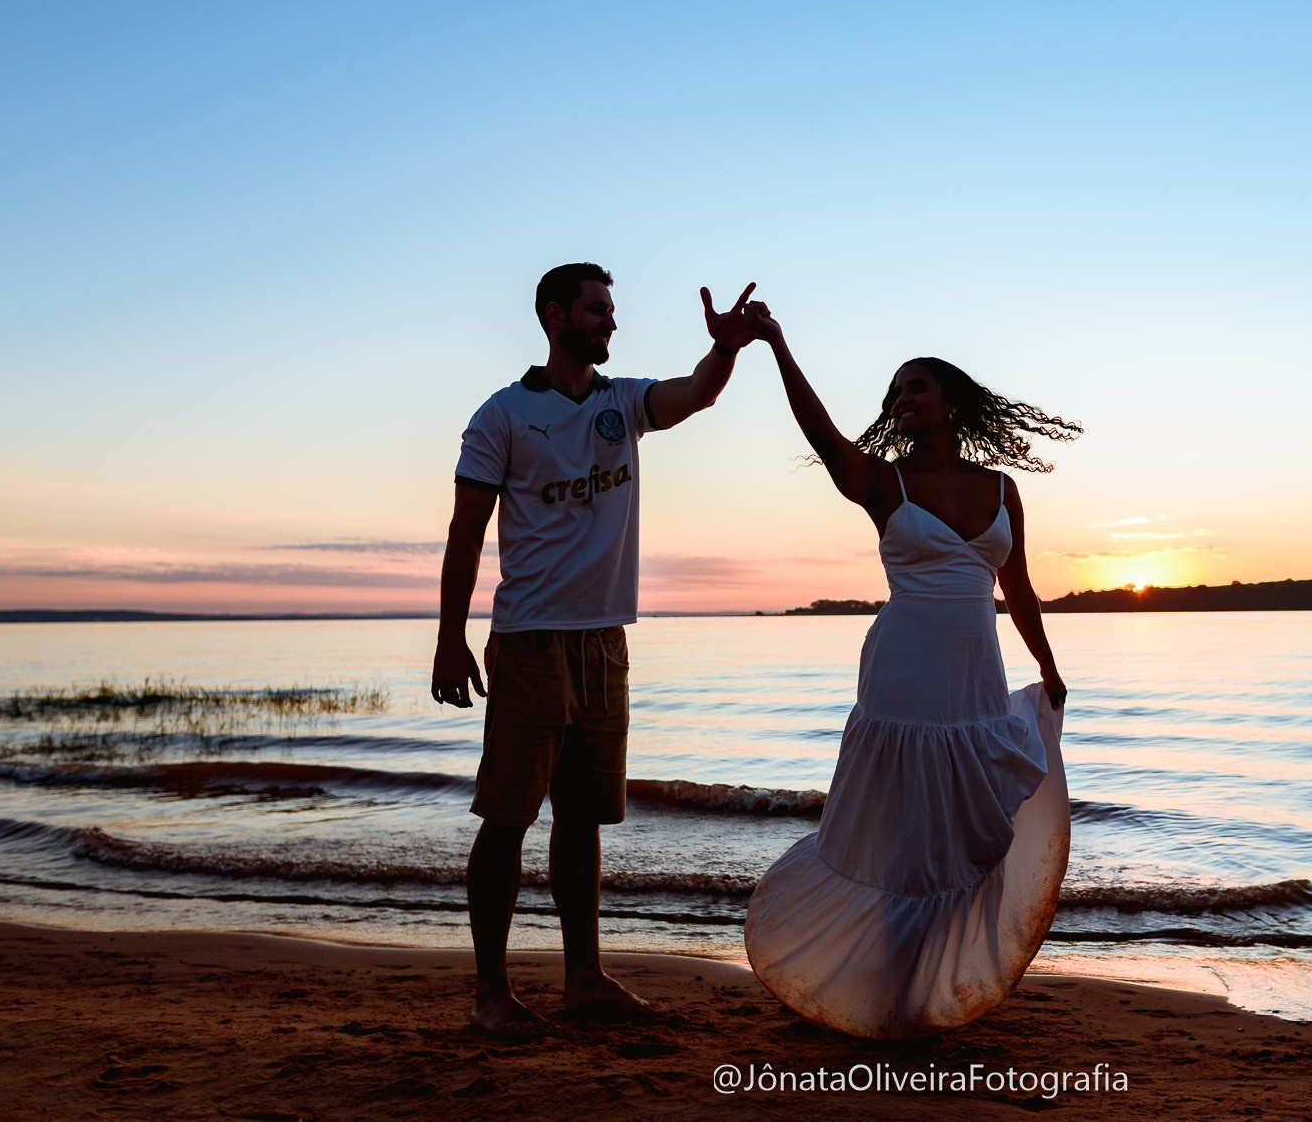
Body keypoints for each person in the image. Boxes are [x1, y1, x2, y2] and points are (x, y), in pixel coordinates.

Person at [431, 261, 758, 1033]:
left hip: (605, 644)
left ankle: (585, 980)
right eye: (595, 310)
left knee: (582, 819)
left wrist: (726, 353)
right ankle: (490, 993)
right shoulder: (502, 414)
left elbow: (694, 393)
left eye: (612, 310)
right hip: (531, 641)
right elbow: (465, 533)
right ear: (554, 315)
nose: (609, 322)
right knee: (507, 815)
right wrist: (450, 638)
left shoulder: (622, 401)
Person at [738, 300, 1079, 1038]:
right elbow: (824, 436)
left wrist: (1048, 665)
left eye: (915, 386)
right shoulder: (882, 484)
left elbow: (1017, 588)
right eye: (895, 392)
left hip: (974, 677)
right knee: (902, 840)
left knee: (964, 832)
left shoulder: (1000, 490)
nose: (902, 399)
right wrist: (776, 343)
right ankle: (886, 988)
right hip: (903, 675)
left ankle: (926, 981)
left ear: (950, 401)